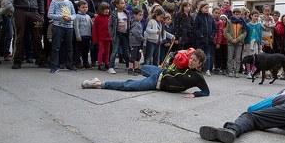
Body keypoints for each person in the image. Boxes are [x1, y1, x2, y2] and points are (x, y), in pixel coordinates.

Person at [81, 48, 210, 98]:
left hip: (157, 83)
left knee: (128, 85)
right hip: (160, 72)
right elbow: (174, 57)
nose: (191, 61)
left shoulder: (197, 77)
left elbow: (206, 91)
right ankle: (139, 72)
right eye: (191, 58)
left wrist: (194, 94)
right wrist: (180, 53)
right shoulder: (184, 62)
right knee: (143, 68)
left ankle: (98, 83)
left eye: (194, 60)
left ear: (200, 64)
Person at [6, 0, 47, 69]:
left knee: (37, 37)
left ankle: (40, 59)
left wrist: (41, 14)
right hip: (20, 10)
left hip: (34, 11)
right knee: (19, 36)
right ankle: (18, 59)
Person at [47, 0, 77, 73]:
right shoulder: (54, 2)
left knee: (69, 47)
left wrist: (70, 18)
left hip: (69, 27)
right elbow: (50, 15)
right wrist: (61, 17)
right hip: (58, 26)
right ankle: (54, 65)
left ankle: (69, 64)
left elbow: (74, 14)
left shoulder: (69, 3)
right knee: (56, 46)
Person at [192, 1, 217, 76]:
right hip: (201, 40)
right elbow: (194, 28)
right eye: (205, 8)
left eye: (208, 7)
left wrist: (212, 35)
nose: (207, 9)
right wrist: (200, 35)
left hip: (209, 40)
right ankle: (198, 68)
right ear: (201, 9)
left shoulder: (210, 17)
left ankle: (207, 69)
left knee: (208, 55)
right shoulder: (198, 17)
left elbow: (215, 28)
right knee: (199, 55)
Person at [107, 0, 131, 74]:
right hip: (116, 34)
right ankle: (111, 67)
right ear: (117, 5)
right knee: (114, 50)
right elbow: (110, 25)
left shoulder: (126, 13)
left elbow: (129, 23)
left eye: (124, 3)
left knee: (126, 51)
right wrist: (112, 34)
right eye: (121, 3)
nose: (123, 5)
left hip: (125, 34)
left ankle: (128, 66)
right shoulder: (114, 14)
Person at [225, 7, 248, 78]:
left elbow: (244, 33)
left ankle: (237, 71)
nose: (237, 16)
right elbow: (226, 32)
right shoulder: (229, 22)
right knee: (230, 57)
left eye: (239, 14)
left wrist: (238, 39)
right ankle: (230, 71)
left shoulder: (242, 22)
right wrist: (231, 39)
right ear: (233, 14)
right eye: (236, 14)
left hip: (239, 42)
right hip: (230, 42)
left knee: (238, 58)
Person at [91, 2, 112, 71]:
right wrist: (95, 39)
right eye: (105, 9)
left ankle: (106, 63)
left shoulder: (109, 17)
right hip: (101, 37)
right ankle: (100, 63)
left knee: (107, 51)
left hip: (108, 37)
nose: (106, 10)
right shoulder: (98, 18)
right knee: (101, 51)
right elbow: (95, 29)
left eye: (107, 9)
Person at [73, 0, 93, 69]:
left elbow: (92, 25)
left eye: (86, 7)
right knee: (79, 50)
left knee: (86, 50)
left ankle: (85, 62)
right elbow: (76, 26)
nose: (85, 9)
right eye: (83, 7)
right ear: (78, 8)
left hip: (88, 36)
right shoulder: (77, 16)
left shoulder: (88, 16)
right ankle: (77, 62)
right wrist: (78, 35)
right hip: (81, 36)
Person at [243, 9, 262, 79]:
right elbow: (246, 35)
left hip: (256, 44)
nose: (256, 17)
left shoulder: (259, 25)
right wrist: (244, 44)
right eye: (255, 16)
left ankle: (253, 72)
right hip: (248, 43)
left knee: (255, 58)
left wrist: (260, 44)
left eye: (257, 16)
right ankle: (248, 72)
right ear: (251, 16)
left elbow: (260, 35)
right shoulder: (248, 25)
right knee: (249, 57)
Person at [127, 7, 145, 75]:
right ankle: (130, 68)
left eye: (142, 15)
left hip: (138, 42)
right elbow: (136, 33)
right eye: (140, 15)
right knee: (133, 55)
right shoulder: (135, 23)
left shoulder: (139, 23)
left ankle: (136, 67)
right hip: (134, 42)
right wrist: (142, 39)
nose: (141, 17)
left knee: (138, 55)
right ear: (135, 15)